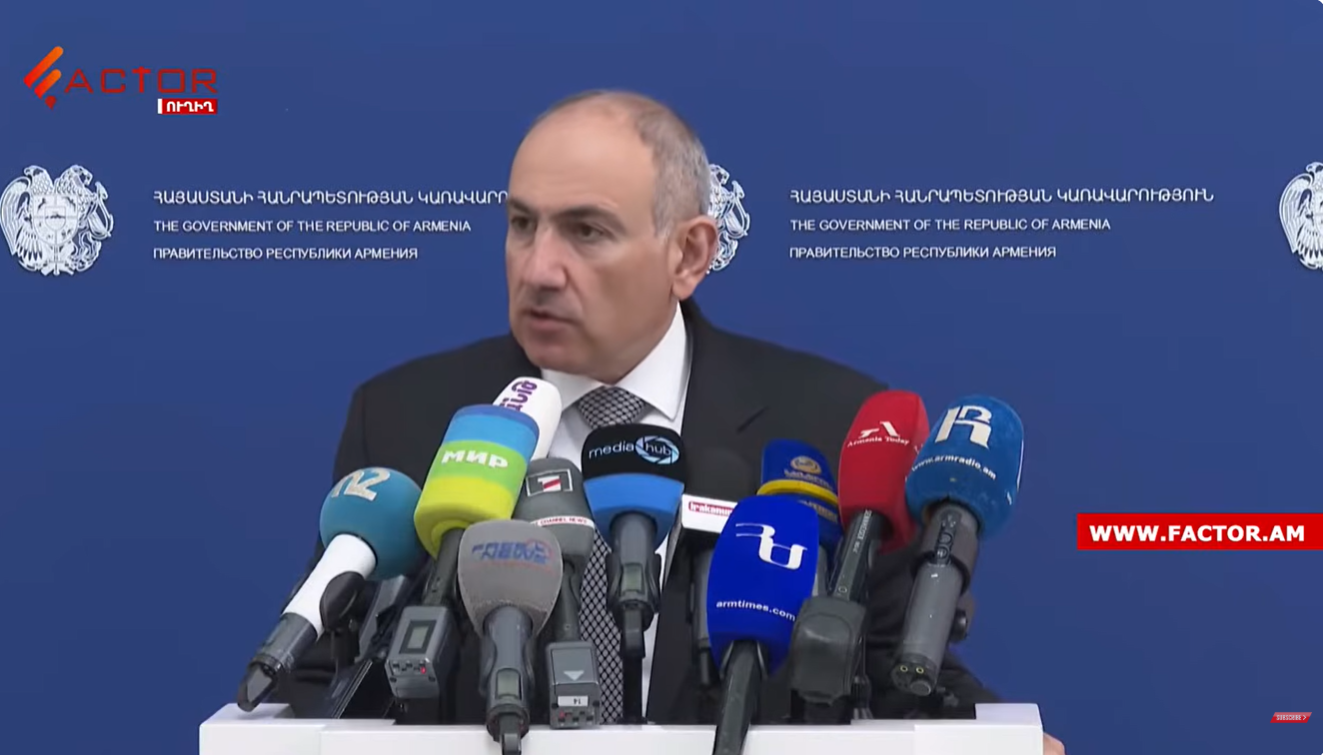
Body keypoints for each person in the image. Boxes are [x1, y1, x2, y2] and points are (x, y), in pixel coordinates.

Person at [282, 89, 1064, 754]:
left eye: (585, 231)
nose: (539, 268)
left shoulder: (830, 424)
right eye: (522, 224)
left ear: (688, 255)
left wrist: (995, 737)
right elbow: (329, 678)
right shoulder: (408, 418)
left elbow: (900, 672)